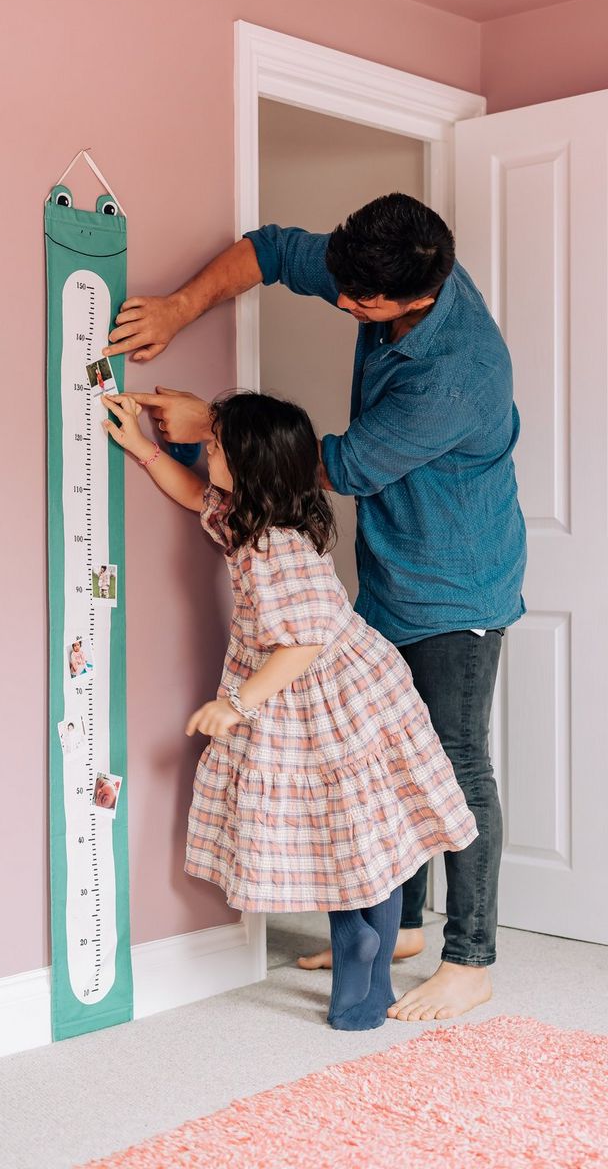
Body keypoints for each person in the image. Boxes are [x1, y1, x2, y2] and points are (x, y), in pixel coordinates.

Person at [102, 194, 527, 1022]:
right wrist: (181, 309)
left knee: (450, 761)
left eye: (359, 304)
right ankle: (400, 921)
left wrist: (208, 424)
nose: (342, 306)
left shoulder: (457, 378)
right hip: (385, 580)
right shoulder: (380, 264)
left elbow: (332, 467)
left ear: (415, 298)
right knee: (378, 764)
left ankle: (471, 957)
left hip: (456, 582)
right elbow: (268, 251)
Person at [101, 388, 477, 1031]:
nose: (205, 449)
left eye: (214, 445)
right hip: (317, 687)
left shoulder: (279, 548)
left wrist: (235, 704)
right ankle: (364, 949)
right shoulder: (257, 513)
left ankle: (368, 966)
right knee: (350, 826)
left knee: (352, 825)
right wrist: (144, 450)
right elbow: (198, 495)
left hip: (326, 692)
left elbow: (303, 643)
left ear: (250, 464)